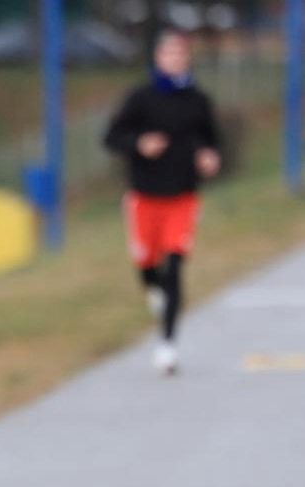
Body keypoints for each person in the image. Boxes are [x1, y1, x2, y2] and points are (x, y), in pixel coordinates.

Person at [103, 29, 222, 376]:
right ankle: (152, 287)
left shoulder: (198, 100)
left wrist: (209, 156)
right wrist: (139, 143)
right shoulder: (140, 98)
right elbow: (111, 137)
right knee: (146, 265)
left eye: (180, 55)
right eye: (168, 55)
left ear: (187, 59)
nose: (175, 61)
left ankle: (167, 345)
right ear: (158, 58)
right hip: (144, 195)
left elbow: (211, 140)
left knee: (175, 264)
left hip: (182, 195)